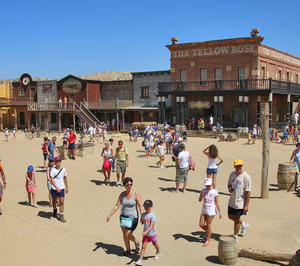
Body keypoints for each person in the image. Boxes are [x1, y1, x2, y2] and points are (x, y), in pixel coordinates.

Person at [106, 177, 142, 256]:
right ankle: (128, 250)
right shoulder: (122, 195)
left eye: (131, 184)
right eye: (127, 185)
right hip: (124, 217)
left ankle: (136, 241)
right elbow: (117, 205)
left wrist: (142, 216)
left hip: (133, 218)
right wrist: (110, 215)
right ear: (124, 186)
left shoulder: (136, 194)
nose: (129, 186)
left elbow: (140, 206)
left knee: (128, 235)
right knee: (124, 234)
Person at [228, 160, 251, 242]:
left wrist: (246, 205)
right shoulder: (232, 174)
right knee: (230, 216)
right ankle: (244, 224)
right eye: (237, 166)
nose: (238, 168)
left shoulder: (246, 177)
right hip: (232, 200)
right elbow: (229, 185)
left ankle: (235, 236)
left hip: (240, 202)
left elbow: (248, 192)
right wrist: (230, 189)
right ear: (234, 166)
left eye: (240, 166)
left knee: (237, 220)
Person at [135, 200, 162, 265]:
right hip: (146, 236)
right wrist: (141, 220)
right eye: (145, 207)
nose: (146, 208)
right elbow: (142, 221)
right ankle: (140, 259)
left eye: (147, 207)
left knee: (155, 244)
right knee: (143, 247)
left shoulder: (152, 216)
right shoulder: (143, 215)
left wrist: (146, 232)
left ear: (151, 207)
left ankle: (159, 251)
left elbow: (151, 225)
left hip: (152, 234)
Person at [199, 178, 222, 247]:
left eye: (209, 185)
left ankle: (208, 239)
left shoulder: (214, 192)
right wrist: (202, 195)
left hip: (211, 210)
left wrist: (220, 212)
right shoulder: (203, 190)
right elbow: (200, 200)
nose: (208, 186)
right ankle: (209, 232)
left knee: (208, 224)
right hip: (204, 209)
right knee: (201, 224)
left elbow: (217, 202)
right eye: (206, 185)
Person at [50, 156, 68, 222]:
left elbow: (65, 179)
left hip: (62, 188)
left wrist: (67, 187)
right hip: (54, 188)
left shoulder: (64, 170)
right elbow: (52, 180)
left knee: (62, 201)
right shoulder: (53, 170)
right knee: (54, 200)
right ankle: (55, 209)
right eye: (57, 161)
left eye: (59, 161)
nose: (58, 162)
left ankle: (61, 214)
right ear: (55, 162)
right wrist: (56, 187)